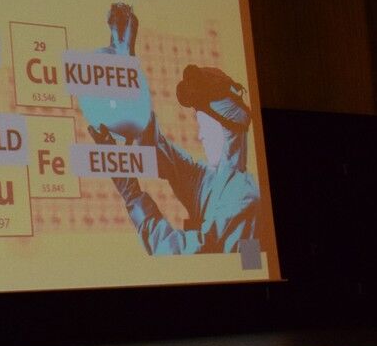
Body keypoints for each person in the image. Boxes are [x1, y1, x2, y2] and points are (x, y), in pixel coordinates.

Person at [90, 64, 261, 255]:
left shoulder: (243, 198)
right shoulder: (215, 180)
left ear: (226, 130)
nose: (200, 136)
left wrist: (132, 195)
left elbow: (178, 250)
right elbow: (167, 158)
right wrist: (138, 112)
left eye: (205, 126)